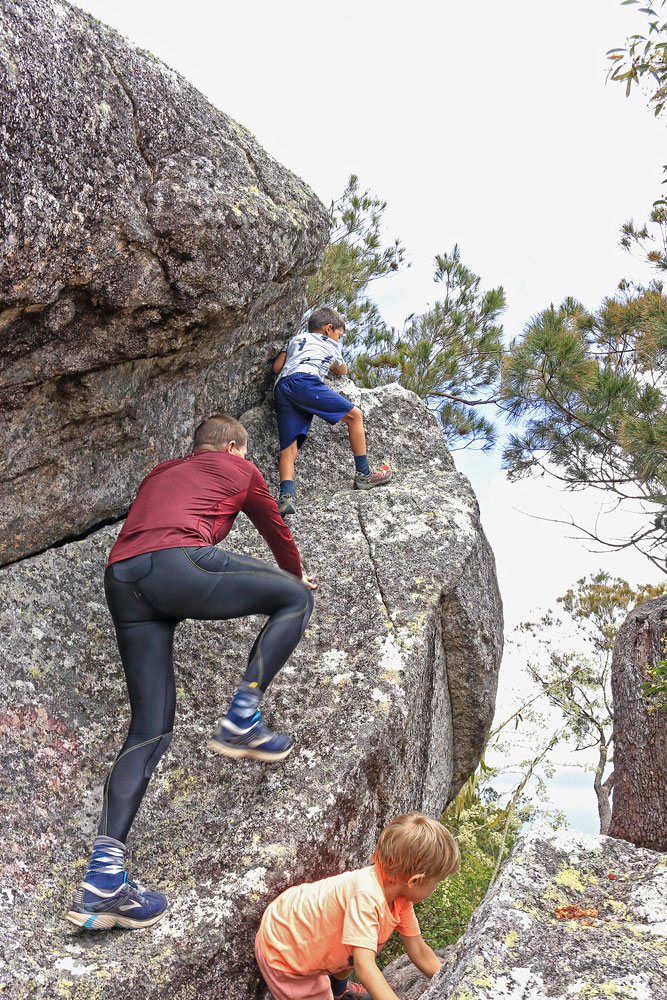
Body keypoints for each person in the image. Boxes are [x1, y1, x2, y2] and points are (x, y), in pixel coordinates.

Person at [65, 413, 316, 931]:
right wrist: (295, 575)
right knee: (293, 599)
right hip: (176, 563)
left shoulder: (160, 471)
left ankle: (103, 882)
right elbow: (275, 527)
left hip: (123, 578)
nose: (246, 463)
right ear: (231, 446)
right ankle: (244, 716)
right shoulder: (239, 469)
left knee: (149, 729)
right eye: (243, 454)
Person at [255, 812, 460, 1000]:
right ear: (415, 880)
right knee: (357, 953)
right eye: (436, 882)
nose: (435, 887)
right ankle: (333, 990)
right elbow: (365, 966)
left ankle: (339, 988)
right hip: (285, 951)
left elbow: (419, 950)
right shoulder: (367, 896)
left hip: (308, 928)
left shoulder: (400, 897)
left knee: (358, 943)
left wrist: (455, 983)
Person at [273, 306, 392, 516]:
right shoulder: (329, 343)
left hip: (282, 387)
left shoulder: (295, 340)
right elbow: (342, 369)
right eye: (339, 334)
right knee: (355, 416)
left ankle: (285, 498)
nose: (339, 339)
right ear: (329, 329)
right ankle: (364, 473)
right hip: (305, 381)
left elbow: (277, 367)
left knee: (289, 447)